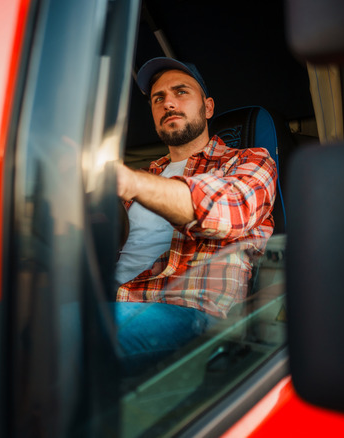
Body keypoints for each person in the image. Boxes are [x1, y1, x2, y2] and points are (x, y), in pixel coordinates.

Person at [114, 57, 277, 375]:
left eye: (181, 91)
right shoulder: (149, 173)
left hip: (190, 315)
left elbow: (230, 211)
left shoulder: (249, 161)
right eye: (158, 98)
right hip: (116, 300)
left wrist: (133, 183)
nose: (168, 103)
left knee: (57, 332)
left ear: (208, 106)